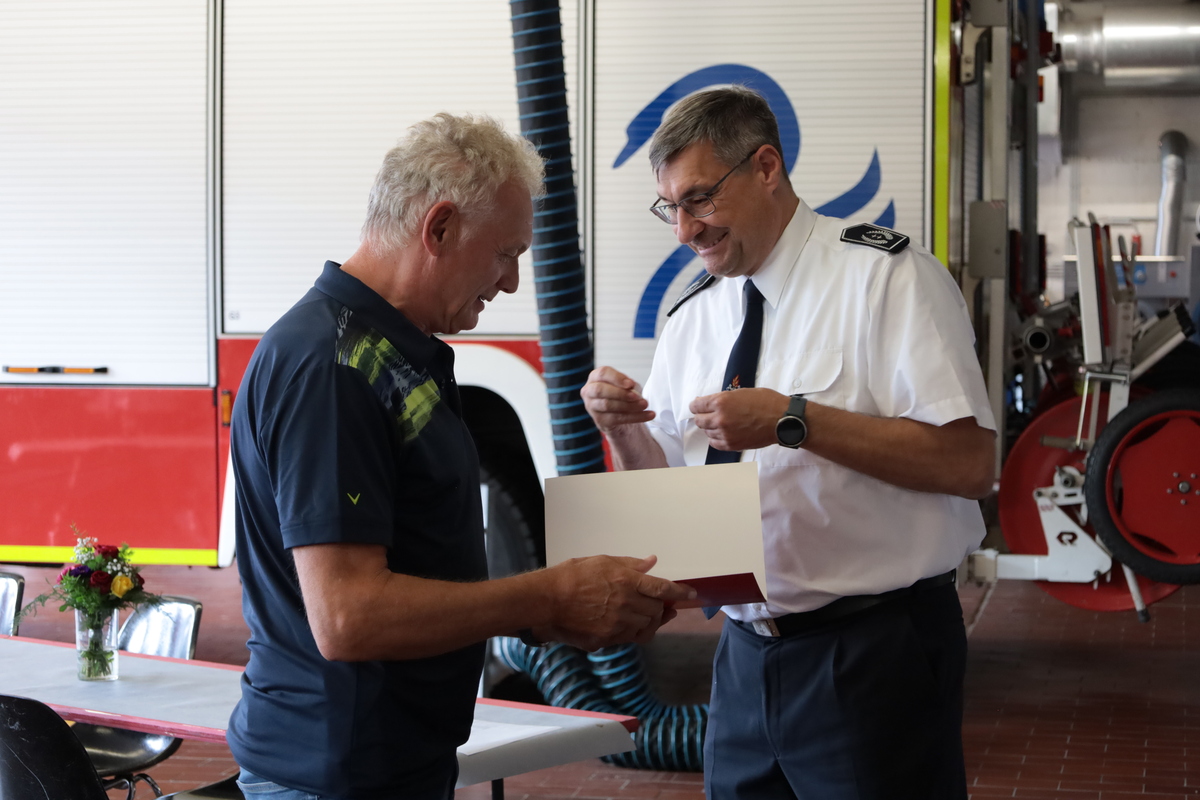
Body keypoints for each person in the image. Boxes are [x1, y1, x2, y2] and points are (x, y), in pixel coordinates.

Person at [227, 112, 695, 800]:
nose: (511, 282)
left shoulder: (390, 351)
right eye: (505, 253)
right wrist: (550, 595)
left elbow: (417, 564)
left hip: (386, 762)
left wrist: (547, 614)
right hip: (334, 774)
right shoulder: (333, 365)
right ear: (440, 228)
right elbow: (349, 616)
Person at [581, 87, 996, 799]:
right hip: (744, 658)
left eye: (699, 199)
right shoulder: (692, 318)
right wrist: (622, 430)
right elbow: (671, 509)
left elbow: (969, 464)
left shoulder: (885, 278)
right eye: (670, 207)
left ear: (766, 167)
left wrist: (792, 420)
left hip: (873, 651)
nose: (684, 230)